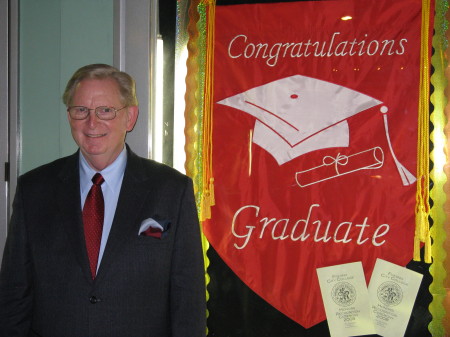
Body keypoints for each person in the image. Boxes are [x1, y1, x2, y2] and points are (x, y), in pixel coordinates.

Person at [0, 64, 206, 337]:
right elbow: (14, 294)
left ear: (130, 117)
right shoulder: (34, 189)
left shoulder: (172, 190)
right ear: (69, 116)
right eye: (80, 110)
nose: (92, 123)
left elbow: (188, 297)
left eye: (105, 110)